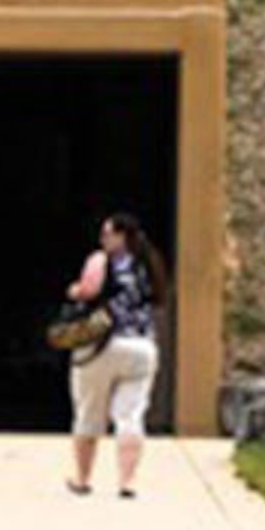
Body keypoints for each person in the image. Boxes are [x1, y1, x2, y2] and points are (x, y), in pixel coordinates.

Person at [63, 212, 169, 498]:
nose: (103, 239)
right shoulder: (149, 266)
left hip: (101, 343)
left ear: (121, 237)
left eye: (107, 233)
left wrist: (74, 290)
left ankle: (82, 478)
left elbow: (89, 290)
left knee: (89, 412)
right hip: (141, 346)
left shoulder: (101, 260)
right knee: (131, 415)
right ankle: (127, 481)